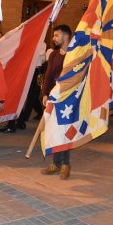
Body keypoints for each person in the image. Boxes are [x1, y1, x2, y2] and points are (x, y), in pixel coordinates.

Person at [40, 24, 72, 180]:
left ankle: (65, 164)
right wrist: (45, 93)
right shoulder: (53, 55)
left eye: (56, 35)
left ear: (65, 37)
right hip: (53, 98)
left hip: (67, 99)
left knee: (63, 131)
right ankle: (56, 163)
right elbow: (48, 75)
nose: (53, 38)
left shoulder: (74, 55)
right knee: (53, 130)